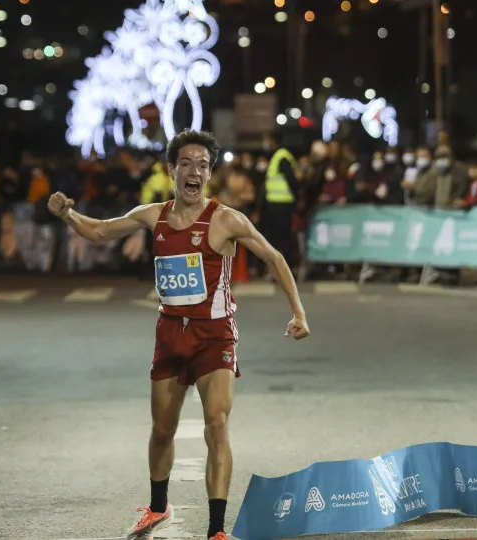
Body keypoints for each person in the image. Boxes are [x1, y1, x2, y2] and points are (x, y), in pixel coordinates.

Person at [47, 130, 310, 540]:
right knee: (162, 430)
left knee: (217, 424)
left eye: (203, 165)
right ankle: (157, 508)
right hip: (170, 333)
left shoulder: (226, 219)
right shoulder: (153, 215)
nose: (194, 171)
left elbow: (273, 257)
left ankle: (217, 530)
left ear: (209, 174)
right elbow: (99, 231)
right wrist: (67, 214)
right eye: (186, 163)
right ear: (172, 170)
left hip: (215, 335)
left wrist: (298, 311)